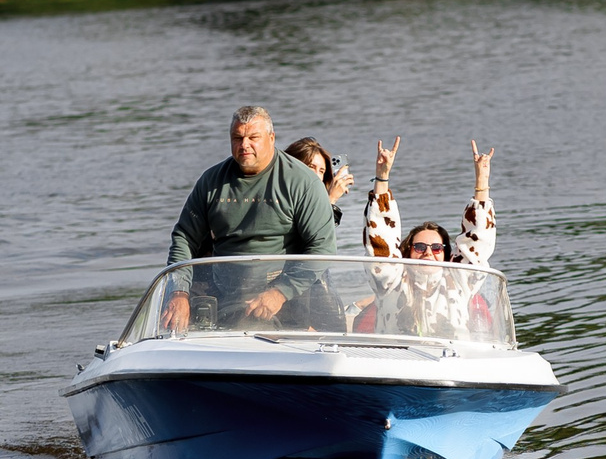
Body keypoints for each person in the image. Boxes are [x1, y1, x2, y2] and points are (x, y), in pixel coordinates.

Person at [162, 106, 336, 331]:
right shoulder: (210, 182)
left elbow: (323, 248)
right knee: (168, 326)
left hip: (283, 302)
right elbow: (184, 238)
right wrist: (179, 293)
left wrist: (279, 293)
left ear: (271, 138)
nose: (244, 145)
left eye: (253, 137)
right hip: (223, 295)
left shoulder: (303, 183)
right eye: (238, 138)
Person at [361, 137, 500, 339]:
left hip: (450, 362)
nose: (428, 252)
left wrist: (482, 181)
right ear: (408, 251)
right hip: (394, 361)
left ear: (445, 254)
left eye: (436, 248)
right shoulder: (391, 281)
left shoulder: (459, 280)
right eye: (419, 247)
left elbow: (477, 242)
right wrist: (382, 178)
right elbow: (380, 238)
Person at [281, 137, 356, 251]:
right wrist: (330, 200)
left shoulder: (313, 202)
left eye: (321, 171)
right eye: (311, 167)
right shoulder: (281, 198)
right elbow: (308, 239)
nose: (316, 176)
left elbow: (322, 243)